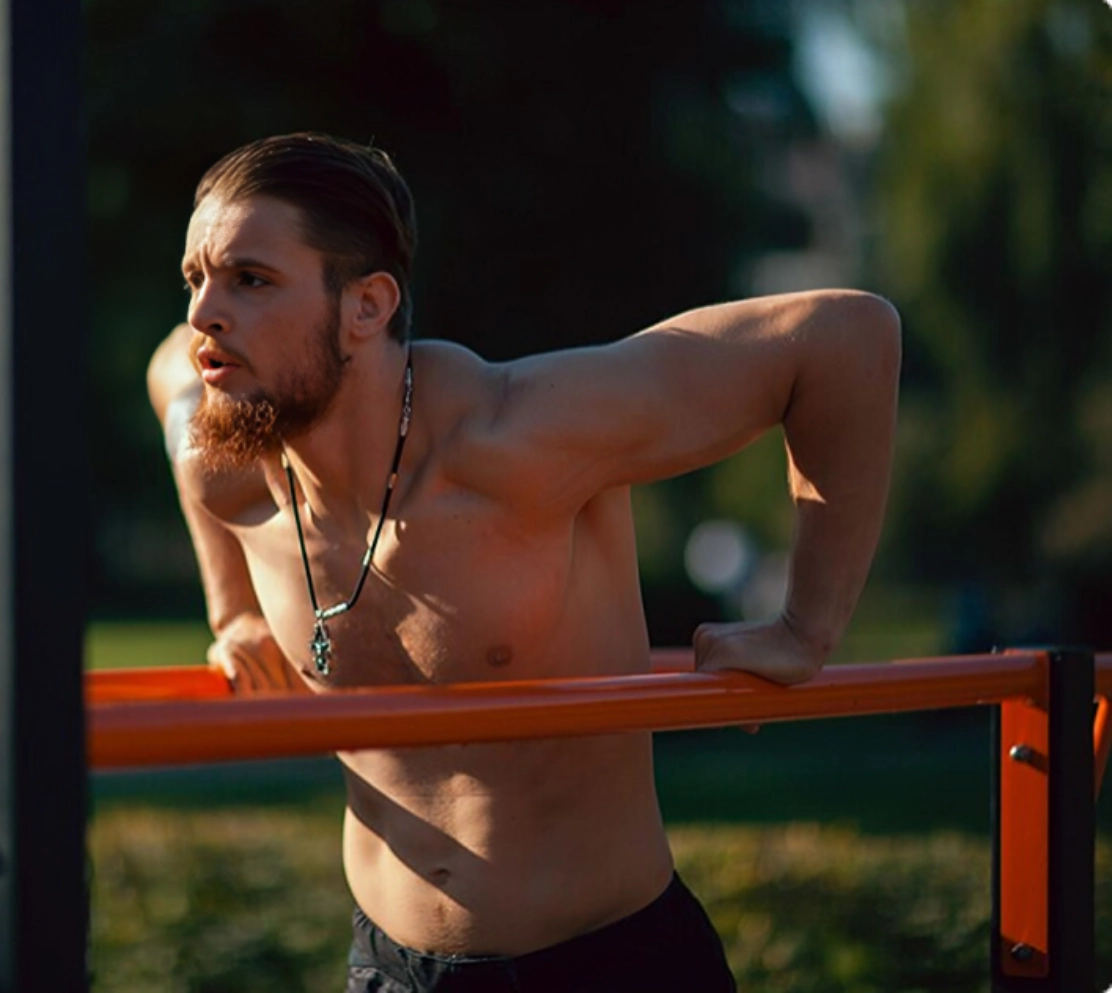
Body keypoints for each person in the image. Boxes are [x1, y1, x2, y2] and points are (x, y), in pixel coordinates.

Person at [147, 132, 900, 992]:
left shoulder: (520, 438)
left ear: (367, 305)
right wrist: (232, 609)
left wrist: (807, 627)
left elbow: (846, 336)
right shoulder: (228, 472)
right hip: (387, 971)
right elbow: (168, 367)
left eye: (251, 278)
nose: (205, 311)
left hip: (610, 964)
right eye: (195, 278)